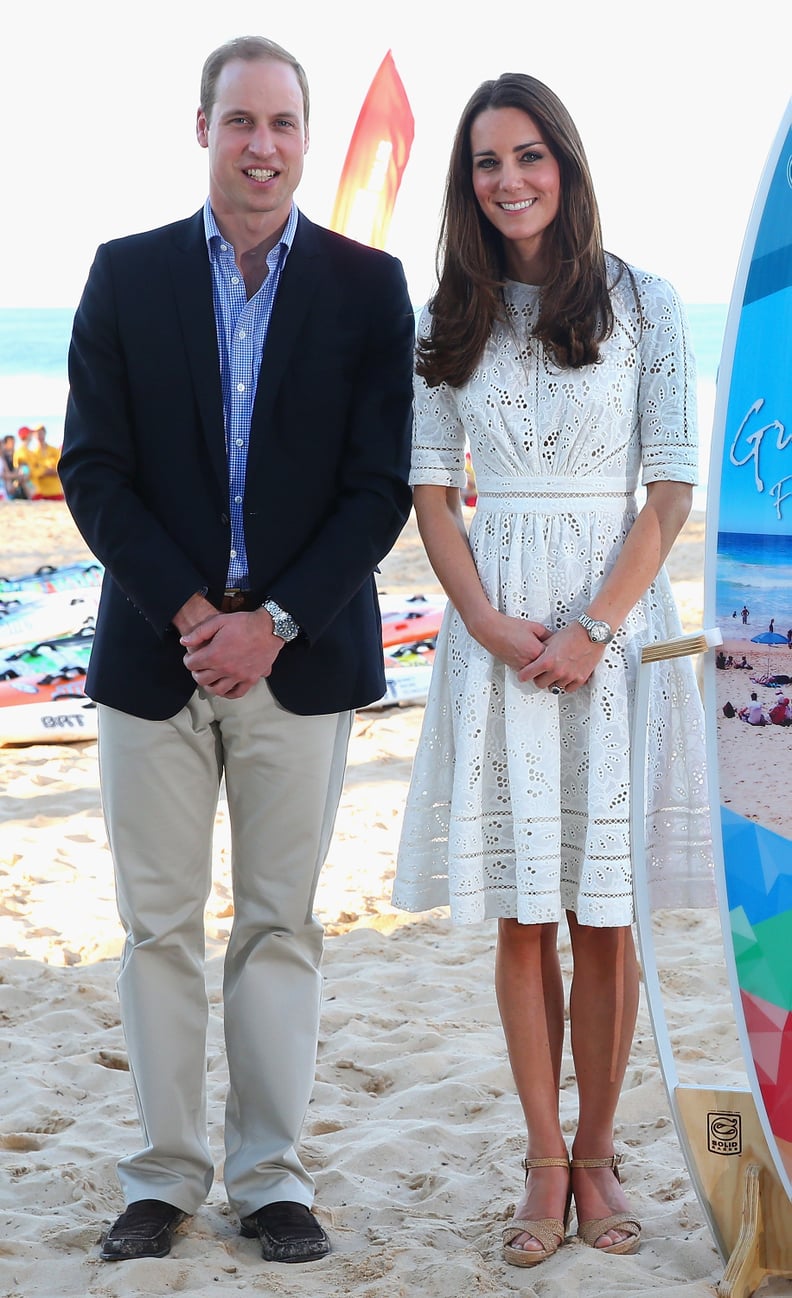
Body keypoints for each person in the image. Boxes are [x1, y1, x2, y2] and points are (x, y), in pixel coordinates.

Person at [60, 36, 413, 1265]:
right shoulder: (124, 273)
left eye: (283, 122)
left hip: (301, 660)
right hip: (156, 659)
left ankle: (271, 1177)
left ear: (306, 139)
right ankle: (161, 1173)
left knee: (280, 925)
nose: (261, 144)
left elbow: (376, 490)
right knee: (157, 927)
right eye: (238, 120)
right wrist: (194, 615)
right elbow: (93, 473)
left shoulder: (369, 288)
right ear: (200, 128)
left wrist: (275, 623)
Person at [391, 73, 711, 1267]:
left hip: (610, 630)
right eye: (486, 161)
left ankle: (598, 1148)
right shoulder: (452, 312)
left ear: (564, 165)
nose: (510, 178)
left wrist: (595, 626)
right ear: (466, 183)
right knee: (527, 908)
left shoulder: (647, 302)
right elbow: (431, 491)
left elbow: (670, 488)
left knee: (605, 911)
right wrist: (480, 618)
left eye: (529, 155)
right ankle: (539, 1157)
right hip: (496, 638)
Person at [19, 424, 64, 499]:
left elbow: (61, 467)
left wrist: (47, 471)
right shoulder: (32, 453)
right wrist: (44, 471)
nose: (39, 435)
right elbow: (31, 471)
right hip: (42, 492)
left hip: (56, 491)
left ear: (45, 433)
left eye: (41, 433)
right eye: (36, 433)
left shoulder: (54, 450)